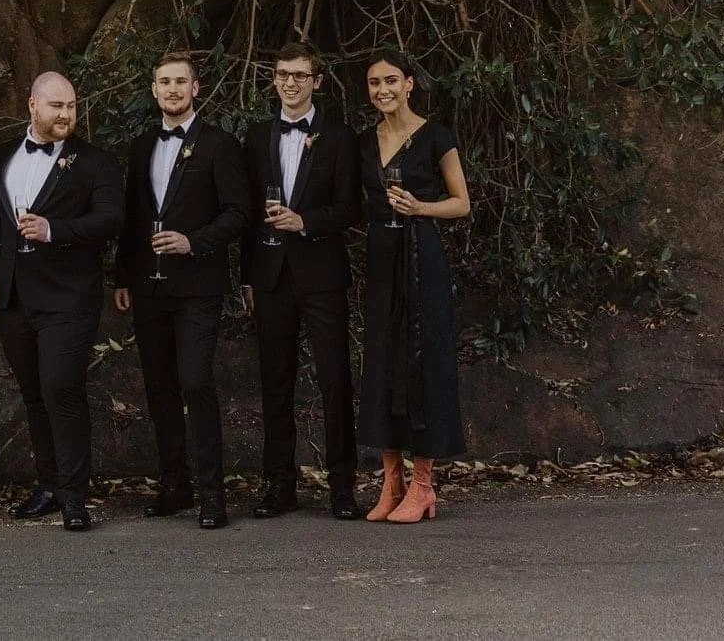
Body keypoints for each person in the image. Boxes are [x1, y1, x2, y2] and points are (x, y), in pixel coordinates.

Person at [0, 71, 124, 532]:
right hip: (14, 297)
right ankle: (49, 485)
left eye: (72, 106)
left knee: (62, 387)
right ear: (32, 107)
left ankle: (75, 496)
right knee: (34, 393)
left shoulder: (94, 162)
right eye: (56, 106)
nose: (66, 115)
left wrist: (54, 230)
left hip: (69, 297)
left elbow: (110, 219)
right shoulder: (3, 155)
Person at [113, 51, 251, 529]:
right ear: (154, 91)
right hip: (148, 288)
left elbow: (238, 213)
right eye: (163, 82)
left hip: (197, 286)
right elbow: (132, 218)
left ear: (196, 89)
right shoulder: (140, 145)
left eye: (180, 82)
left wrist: (193, 242)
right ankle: (175, 485)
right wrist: (122, 277)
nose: (171, 89)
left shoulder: (220, 145)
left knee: (196, 381)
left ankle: (214, 495)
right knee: (159, 387)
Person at [240, 42, 365, 520]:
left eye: (299, 75)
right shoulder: (256, 137)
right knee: (275, 382)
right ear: (273, 80)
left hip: (321, 276)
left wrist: (304, 221)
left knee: (334, 380)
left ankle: (342, 487)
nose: (290, 83)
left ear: (317, 81)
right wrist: (247, 278)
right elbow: (248, 215)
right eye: (282, 74)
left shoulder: (339, 136)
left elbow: (350, 208)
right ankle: (279, 486)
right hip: (270, 277)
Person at [358, 51, 470, 523]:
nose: (382, 90)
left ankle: (423, 485)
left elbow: (462, 203)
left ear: (409, 84)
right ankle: (391, 484)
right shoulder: (365, 141)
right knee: (382, 362)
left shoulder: (435, 136)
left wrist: (420, 208)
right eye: (373, 83)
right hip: (382, 260)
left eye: (390, 81)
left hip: (423, 257)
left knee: (421, 362)